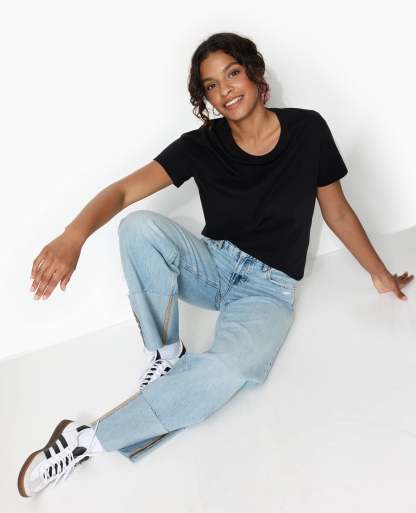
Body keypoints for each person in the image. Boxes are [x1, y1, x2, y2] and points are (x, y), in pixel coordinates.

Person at [17, 32, 413, 498]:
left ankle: (87, 442)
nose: (224, 90)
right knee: (138, 227)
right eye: (210, 85)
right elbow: (123, 193)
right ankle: (166, 354)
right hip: (214, 265)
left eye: (232, 74)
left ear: (255, 74)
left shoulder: (308, 130)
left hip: (269, 290)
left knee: (233, 368)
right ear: (205, 97)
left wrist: (379, 274)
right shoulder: (202, 144)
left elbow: (338, 212)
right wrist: (73, 236)